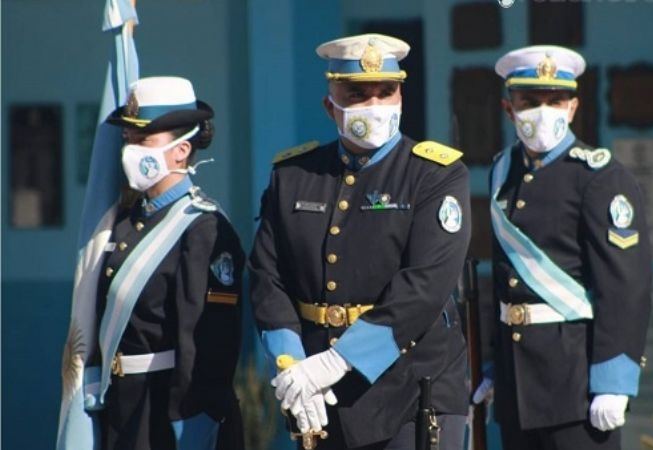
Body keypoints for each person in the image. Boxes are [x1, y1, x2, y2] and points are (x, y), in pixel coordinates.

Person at [248, 33, 472, 449]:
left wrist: (339, 360)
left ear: (402, 97)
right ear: (330, 105)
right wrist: (291, 363)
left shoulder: (435, 174)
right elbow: (268, 276)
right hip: (318, 391)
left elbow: (425, 285)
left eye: (386, 92)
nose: (374, 106)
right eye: (357, 94)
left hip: (412, 390)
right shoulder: (293, 175)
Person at [476, 45, 653, 450]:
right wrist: (493, 366)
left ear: (573, 108)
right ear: (509, 109)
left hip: (577, 388)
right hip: (517, 387)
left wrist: (613, 380)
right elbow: (505, 280)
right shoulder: (503, 173)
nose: (543, 112)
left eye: (555, 101)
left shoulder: (600, 178)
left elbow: (625, 286)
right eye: (530, 102)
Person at [91, 76, 245, 449]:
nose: (130, 150)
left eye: (143, 140)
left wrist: (189, 425)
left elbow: (208, 345)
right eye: (128, 139)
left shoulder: (203, 228)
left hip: (168, 413)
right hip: (122, 408)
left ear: (181, 150)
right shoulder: (125, 221)